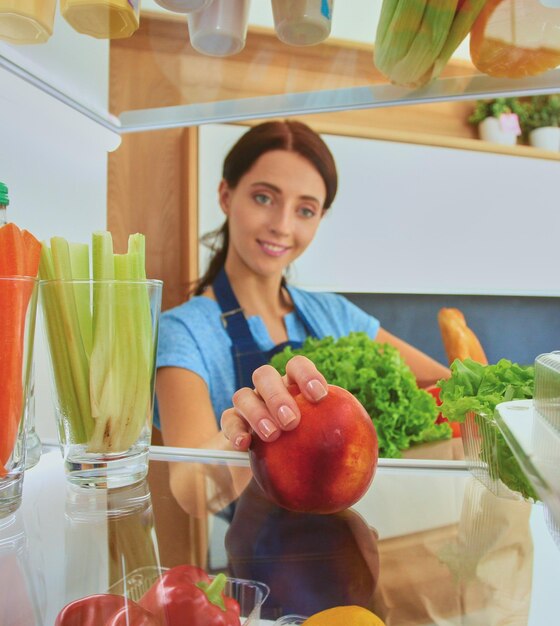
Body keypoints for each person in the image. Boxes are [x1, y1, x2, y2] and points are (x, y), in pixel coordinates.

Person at [155, 120, 449, 511]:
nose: (282, 226)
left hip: (353, 528)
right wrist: (244, 433)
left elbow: (442, 387)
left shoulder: (334, 314)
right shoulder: (184, 332)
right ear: (226, 196)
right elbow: (190, 495)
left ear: (320, 218)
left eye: (305, 210)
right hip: (251, 557)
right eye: (264, 198)